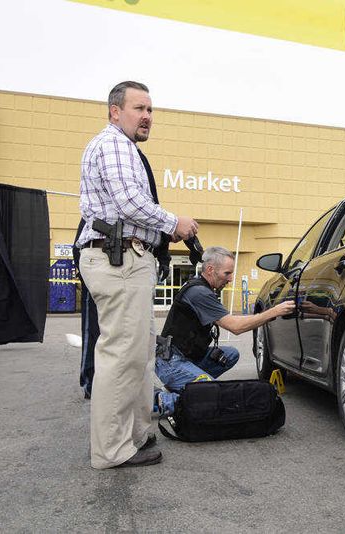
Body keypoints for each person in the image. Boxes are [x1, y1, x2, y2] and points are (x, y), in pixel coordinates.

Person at [76, 81, 198, 469]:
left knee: (139, 355)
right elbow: (130, 203)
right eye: (138, 108)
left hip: (128, 260)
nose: (147, 116)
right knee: (121, 357)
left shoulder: (123, 147)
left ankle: (134, 434)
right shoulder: (113, 144)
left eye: (150, 110)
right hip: (118, 260)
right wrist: (172, 222)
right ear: (115, 111)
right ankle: (111, 450)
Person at [155, 246, 295, 415]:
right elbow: (236, 326)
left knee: (230, 354)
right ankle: (160, 399)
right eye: (227, 274)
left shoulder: (203, 288)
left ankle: (183, 385)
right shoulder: (199, 293)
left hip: (188, 356)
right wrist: (274, 311)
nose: (230, 279)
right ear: (210, 269)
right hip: (171, 361)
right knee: (213, 397)